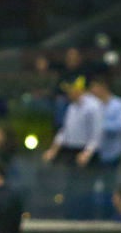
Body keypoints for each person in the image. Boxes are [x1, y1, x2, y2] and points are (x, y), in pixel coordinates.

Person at [42, 75, 103, 219]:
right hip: (71, 150)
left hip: (86, 152)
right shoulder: (72, 107)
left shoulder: (93, 106)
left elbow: (97, 133)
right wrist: (53, 149)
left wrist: (87, 153)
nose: (68, 94)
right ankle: (71, 215)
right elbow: (65, 130)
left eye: (71, 90)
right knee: (70, 185)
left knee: (85, 187)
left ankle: (86, 218)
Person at [88, 74, 121, 219]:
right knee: (97, 189)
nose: (92, 91)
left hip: (114, 155)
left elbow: (118, 125)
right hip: (97, 156)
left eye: (94, 87)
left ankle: (115, 218)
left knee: (114, 188)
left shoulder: (117, 105)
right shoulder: (95, 106)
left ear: (103, 87)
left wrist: (101, 125)